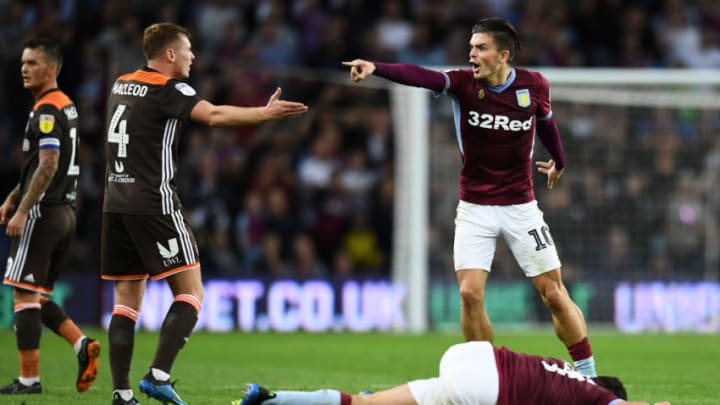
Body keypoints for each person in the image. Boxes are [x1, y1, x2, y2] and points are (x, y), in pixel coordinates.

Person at [342, 17, 597, 377]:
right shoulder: (462, 84)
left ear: (503, 55)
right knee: (469, 294)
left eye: (480, 48)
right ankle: (488, 380)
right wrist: (376, 68)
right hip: (475, 209)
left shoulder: (534, 85)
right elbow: (421, 76)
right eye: (471, 47)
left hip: (521, 207)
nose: (471, 54)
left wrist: (561, 161)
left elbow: (546, 122)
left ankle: (589, 376)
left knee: (554, 294)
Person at [101, 22, 308, 405]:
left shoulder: (120, 82)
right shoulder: (170, 87)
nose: (193, 56)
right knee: (192, 292)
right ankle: (158, 375)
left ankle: (121, 393)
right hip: (154, 201)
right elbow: (213, 116)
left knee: (126, 300)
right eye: (188, 50)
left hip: (115, 203)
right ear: (170, 55)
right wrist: (264, 114)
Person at [0, 39, 100, 395]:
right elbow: (39, 167)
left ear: (52, 69)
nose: (24, 68)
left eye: (33, 63)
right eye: (23, 62)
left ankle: (29, 380)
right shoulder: (65, 106)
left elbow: (49, 164)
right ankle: (81, 344)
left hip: (44, 213)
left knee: (23, 296)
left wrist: (24, 209)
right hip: (66, 213)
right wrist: (13, 196)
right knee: (38, 296)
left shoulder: (45, 111)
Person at [233, 341, 671, 405]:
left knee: (366, 404)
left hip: (470, 357)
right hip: (486, 384)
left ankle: (271, 398)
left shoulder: (561, 373)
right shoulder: (598, 399)